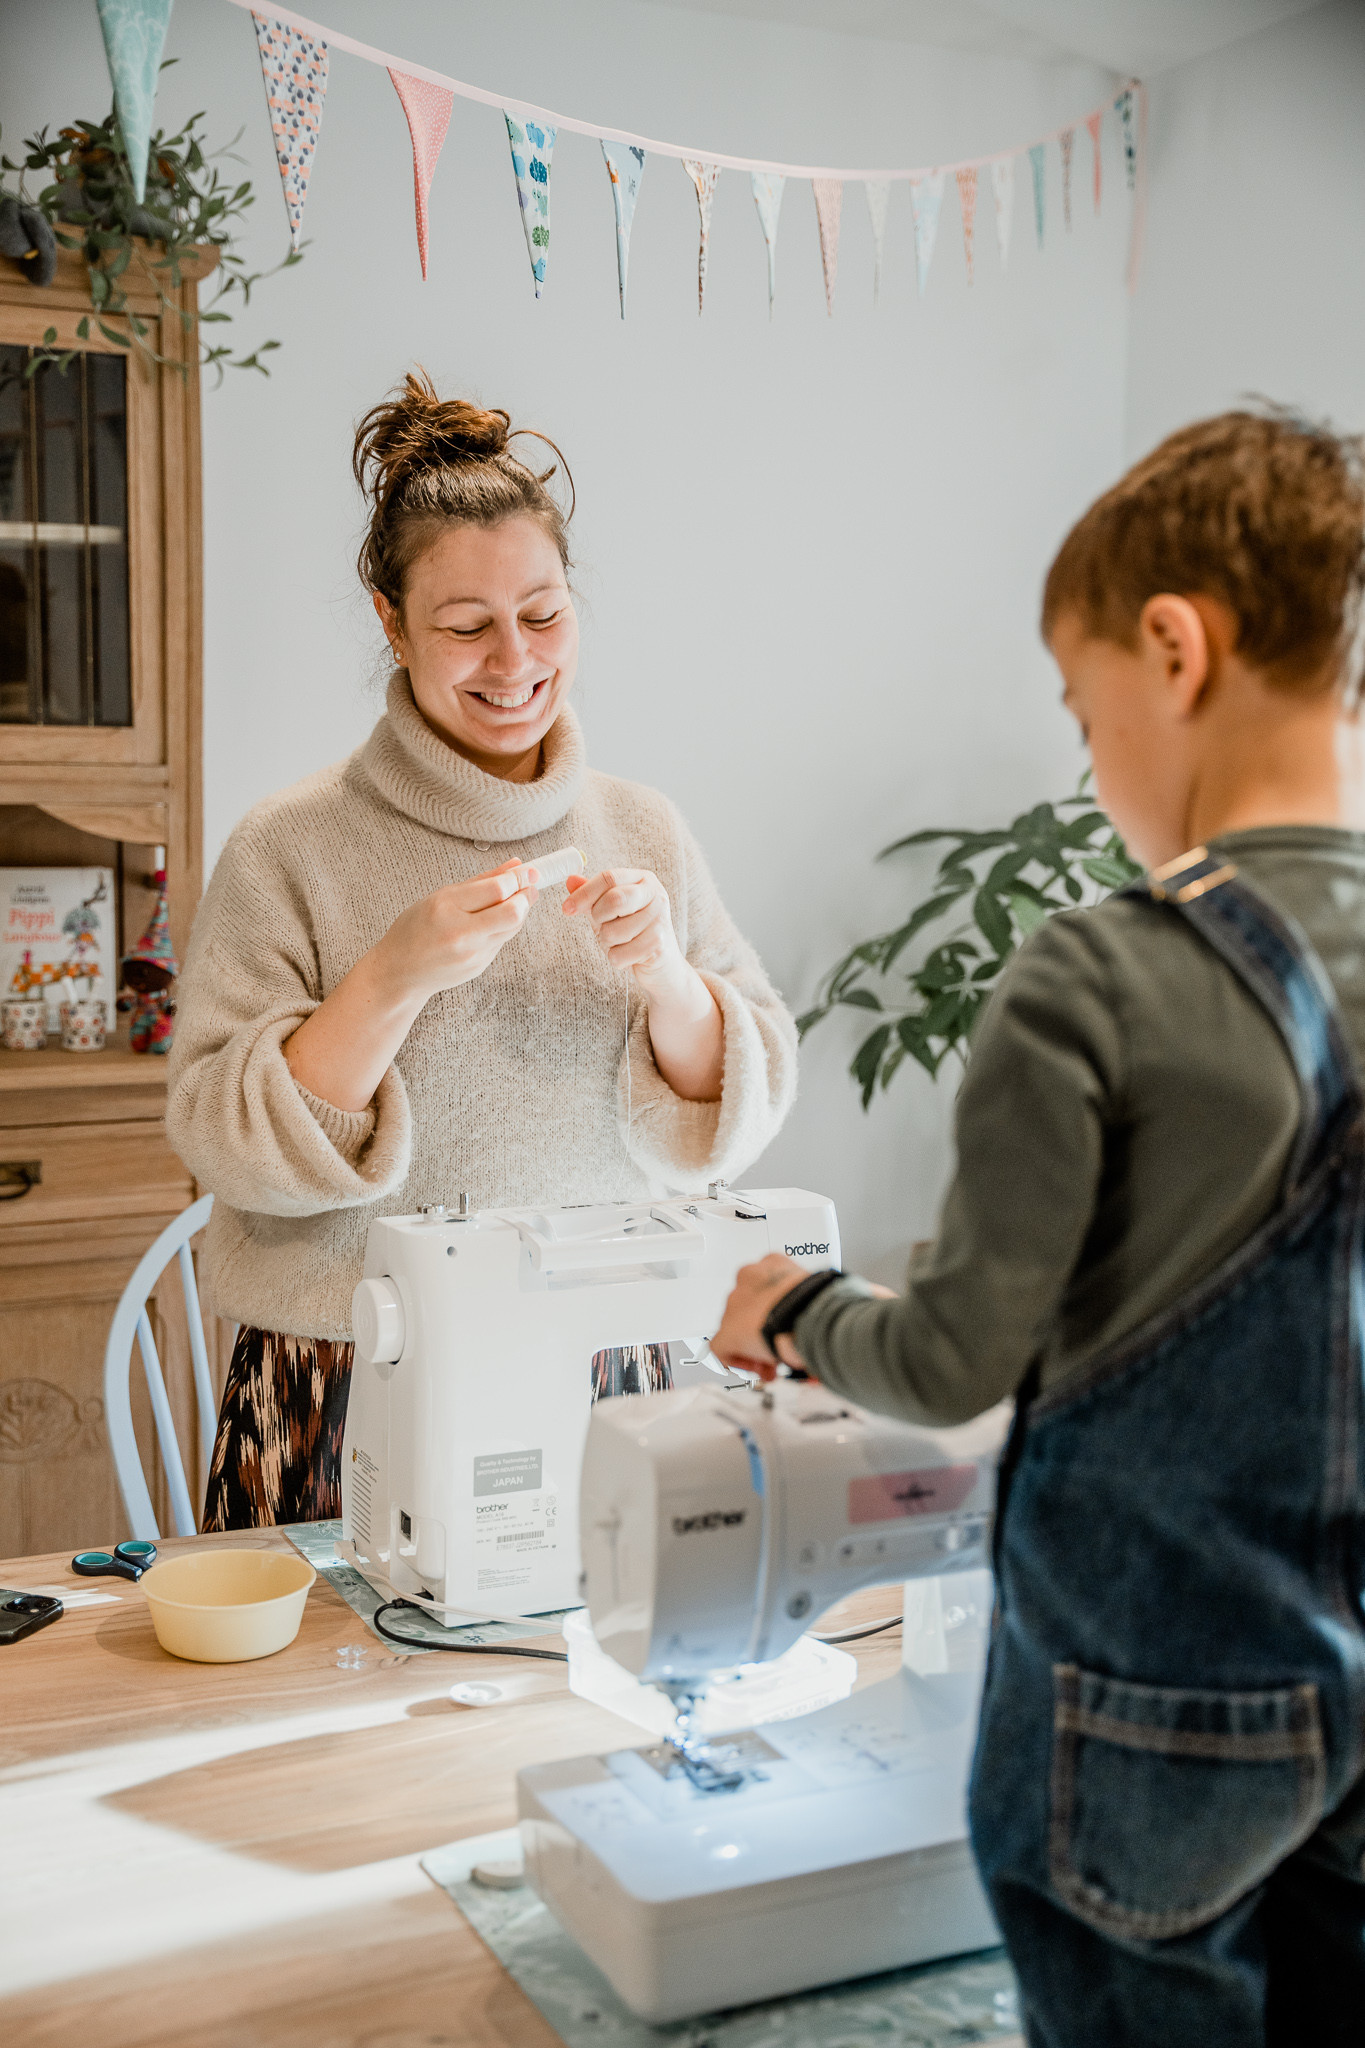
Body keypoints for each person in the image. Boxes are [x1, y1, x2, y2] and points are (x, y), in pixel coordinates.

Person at [713, 408, 1365, 2046]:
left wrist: (797, 1303)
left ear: (1173, 649)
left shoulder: (1099, 972)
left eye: (1084, 716)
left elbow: (949, 1356)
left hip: (1145, 1718)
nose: (1088, 767)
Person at [168, 371, 795, 1531]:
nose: (514, 662)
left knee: (590, 1704)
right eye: (465, 626)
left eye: (544, 613)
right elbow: (225, 1142)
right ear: (391, 621)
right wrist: (390, 975)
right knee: (329, 1708)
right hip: (344, 1381)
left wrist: (666, 976)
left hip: (606, 1367)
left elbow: (743, 1111)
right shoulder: (288, 845)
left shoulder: (643, 827)